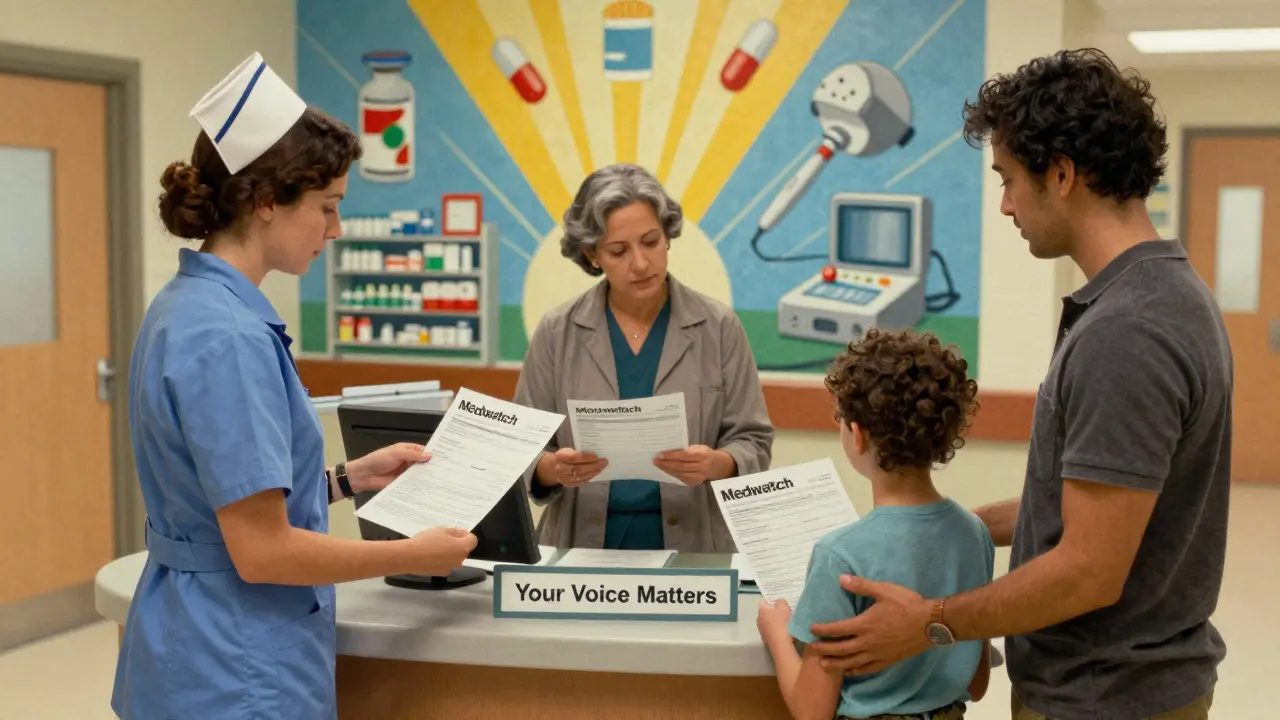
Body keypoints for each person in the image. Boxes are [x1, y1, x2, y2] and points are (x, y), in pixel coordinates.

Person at [801, 49, 1232, 720]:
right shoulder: (1163, 293)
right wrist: (937, 529)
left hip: (1102, 700)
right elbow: (1091, 505)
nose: (1003, 205)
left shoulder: (1128, 333)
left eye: (1008, 179)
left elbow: (1089, 568)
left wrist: (931, 621)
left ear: (1060, 174)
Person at [111, 53, 477, 720]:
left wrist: (344, 480)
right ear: (262, 201)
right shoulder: (231, 336)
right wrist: (416, 552)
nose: (336, 230)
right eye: (327, 207)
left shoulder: (185, 305)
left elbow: (220, 502)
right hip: (236, 666)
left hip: (189, 642)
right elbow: (261, 550)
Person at [513, 163, 774, 552]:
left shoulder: (718, 326)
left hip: (695, 544)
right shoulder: (557, 331)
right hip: (579, 547)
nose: (640, 263)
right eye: (619, 250)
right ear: (592, 254)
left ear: (668, 236)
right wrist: (550, 469)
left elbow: (754, 440)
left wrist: (718, 463)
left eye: (651, 242)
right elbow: (521, 446)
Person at [756, 328, 993, 720]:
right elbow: (977, 683)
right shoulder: (974, 533)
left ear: (857, 435)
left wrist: (778, 635)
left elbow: (811, 711)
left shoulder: (840, 555)